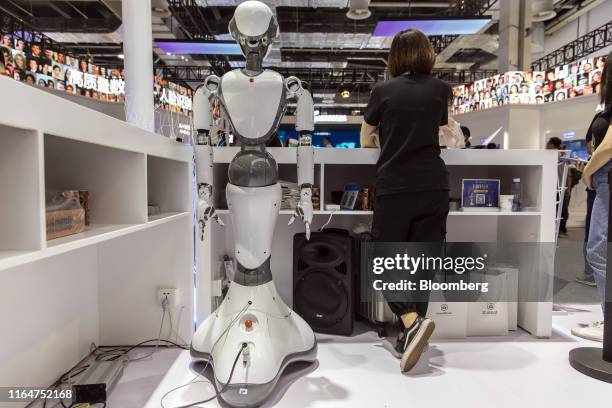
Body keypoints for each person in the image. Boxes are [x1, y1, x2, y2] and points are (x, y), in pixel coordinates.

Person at [360, 28, 450, 372]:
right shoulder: (441, 89)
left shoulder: (382, 90)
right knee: (422, 265)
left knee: (382, 261)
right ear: (426, 53)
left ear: (395, 57)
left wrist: (386, 139)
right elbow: (436, 128)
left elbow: (366, 138)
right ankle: (411, 331)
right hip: (434, 185)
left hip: (396, 186)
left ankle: (411, 322)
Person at [572, 51, 612, 342]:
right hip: (604, 179)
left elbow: (608, 148)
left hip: (606, 178)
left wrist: (588, 171)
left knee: (598, 250)